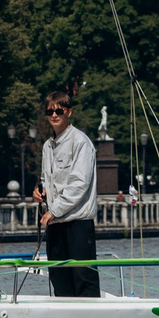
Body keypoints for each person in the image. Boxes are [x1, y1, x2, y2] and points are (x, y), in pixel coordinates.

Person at [32, 91, 100, 297]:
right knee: (59, 279)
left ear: (69, 112)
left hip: (77, 222)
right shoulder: (47, 146)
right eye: (50, 111)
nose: (54, 115)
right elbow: (47, 179)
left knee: (83, 279)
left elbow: (79, 184)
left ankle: (91, 316)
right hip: (55, 223)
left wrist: (54, 211)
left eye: (59, 111)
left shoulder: (80, 142)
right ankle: (65, 316)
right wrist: (40, 191)